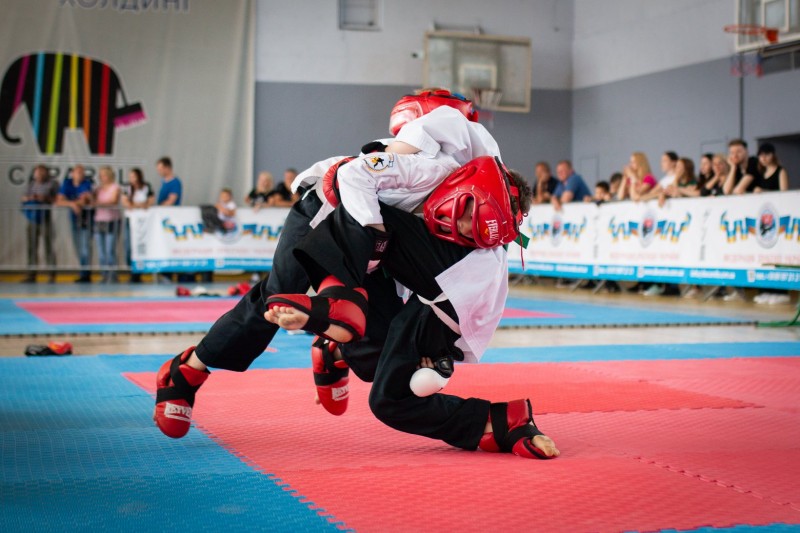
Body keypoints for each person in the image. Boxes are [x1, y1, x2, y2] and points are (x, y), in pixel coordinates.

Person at [151, 89, 509, 438]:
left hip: (368, 241)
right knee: (275, 299)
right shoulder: (427, 161)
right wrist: (375, 232)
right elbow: (360, 175)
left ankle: (333, 347)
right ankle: (187, 370)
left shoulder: (468, 176)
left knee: (383, 358)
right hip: (325, 213)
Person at [266, 155, 558, 460]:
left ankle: (500, 422)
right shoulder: (438, 164)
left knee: (389, 398)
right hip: (428, 285)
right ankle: (338, 314)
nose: (460, 227)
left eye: (476, 231)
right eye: (468, 213)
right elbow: (357, 177)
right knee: (361, 219)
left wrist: (438, 358)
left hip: (448, 308)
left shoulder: (477, 259)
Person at [21, 164, 59, 283]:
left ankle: (51, 274)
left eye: (42, 172)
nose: (39, 174)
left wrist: (44, 198)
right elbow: (23, 198)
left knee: (48, 246)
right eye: (37, 172)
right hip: (32, 218)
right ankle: (31, 274)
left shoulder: (52, 184)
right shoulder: (31, 184)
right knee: (32, 246)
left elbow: (57, 199)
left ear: (46, 173)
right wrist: (29, 198)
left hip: (45, 217)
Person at [56, 164, 94, 283]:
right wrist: (72, 204)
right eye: (78, 172)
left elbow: (85, 200)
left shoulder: (86, 183)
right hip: (74, 219)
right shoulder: (67, 183)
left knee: (85, 247)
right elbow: (59, 200)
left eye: (82, 173)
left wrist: (75, 202)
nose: (80, 175)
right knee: (78, 247)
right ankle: (83, 271)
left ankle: (86, 274)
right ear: (72, 173)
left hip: (86, 220)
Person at [121, 167, 155, 282]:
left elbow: (150, 201)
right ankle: (131, 269)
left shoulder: (146, 187)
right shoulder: (126, 187)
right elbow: (126, 202)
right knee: (128, 246)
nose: (131, 179)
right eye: (130, 176)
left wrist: (137, 205)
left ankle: (139, 272)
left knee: (141, 246)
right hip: (130, 220)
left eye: (133, 176)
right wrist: (140, 205)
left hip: (143, 221)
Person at [93, 166, 122, 283]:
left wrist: (98, 203)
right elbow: (92, 201)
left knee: (110, 249)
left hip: (111, 220)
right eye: (100, 175)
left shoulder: (115, 187)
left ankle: (112, 273)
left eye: (104, 175)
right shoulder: (98, 189)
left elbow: (113, 201)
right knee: (101, 251)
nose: (102, 178)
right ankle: (104, 274)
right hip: (99, 220)